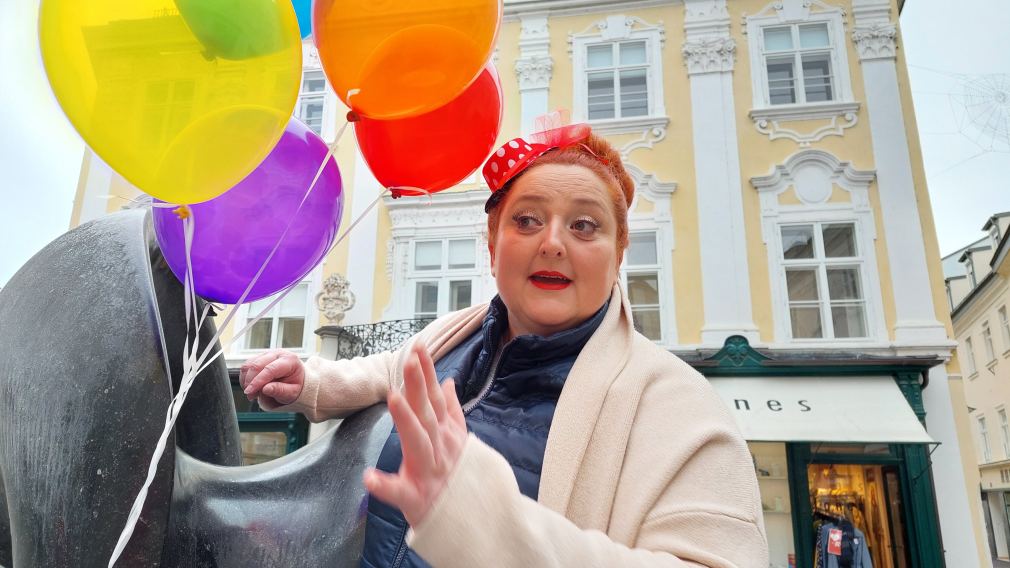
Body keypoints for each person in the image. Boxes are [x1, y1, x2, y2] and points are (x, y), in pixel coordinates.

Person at [240, 121, 768, 567]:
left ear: (619, 253)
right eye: (527, 220)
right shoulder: (454, 335)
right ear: (493, 246)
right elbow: (387, 372)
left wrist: (486, 520)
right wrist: (310, 381)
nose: (553, 242)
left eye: (585, 225)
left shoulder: (680, 410)